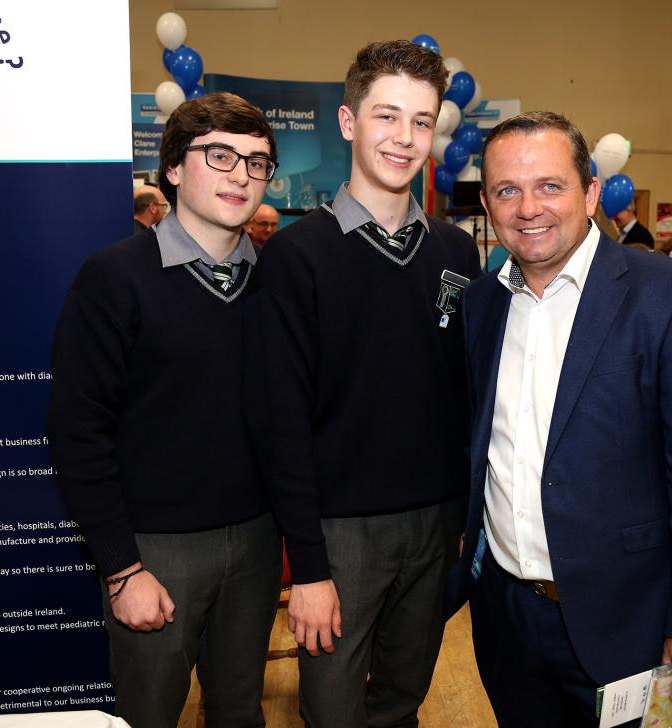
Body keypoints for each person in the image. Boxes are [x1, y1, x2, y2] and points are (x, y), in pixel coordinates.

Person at [446, 111, 672, 726]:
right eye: (508, 190)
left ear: (588, 191)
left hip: (629, 623)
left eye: (550, 186)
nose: (528, 207)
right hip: (505, 616)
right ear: (486, 202)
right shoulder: (480, 306)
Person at [246, 40, 480, 728]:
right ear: (348, 123)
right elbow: (280, 421)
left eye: (419, 120)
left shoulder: (454, 250)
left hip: (435, 524)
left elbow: (461, 393)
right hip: (339, 531)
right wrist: (309, 568)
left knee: (402, 698)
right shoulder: (296, 256)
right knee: (333, 709)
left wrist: (464, 523)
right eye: (386, 116)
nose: (404, 138)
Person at [47, 92, 282, 728]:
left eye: (257, 162)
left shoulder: (276, 280)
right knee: (149, 715)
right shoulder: (115, 277)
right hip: (155, 551)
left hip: (258, 541)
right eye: (220, 155)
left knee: (240, 711)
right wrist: (123, 570)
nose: (241, 174)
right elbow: (77, 431)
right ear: (173, 168)